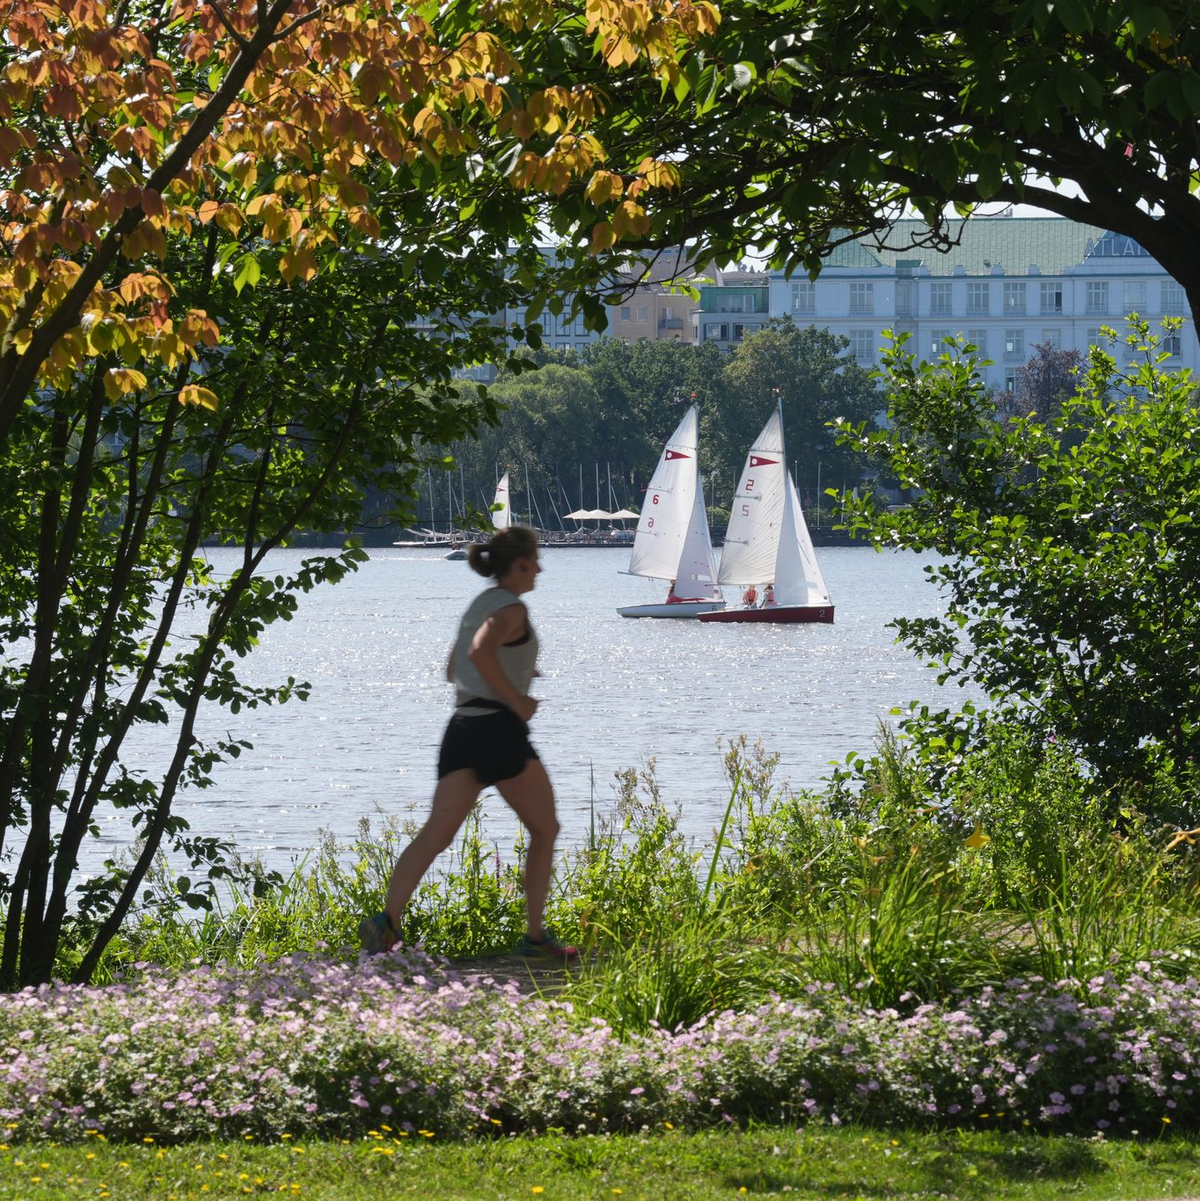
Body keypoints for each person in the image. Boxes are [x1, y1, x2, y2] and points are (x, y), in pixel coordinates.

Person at [359, 526, 577, 962]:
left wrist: (516, 671)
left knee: (434, 835)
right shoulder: (512, 608)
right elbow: (478, 653)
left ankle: (386, 923)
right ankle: (535, 939)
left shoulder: (479, 605)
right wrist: (516, 697)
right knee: (545, 828)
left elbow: (452, 668)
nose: (539, 568)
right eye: (534, 560)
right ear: (517, 565)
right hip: (498, 730)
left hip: (462, 729)